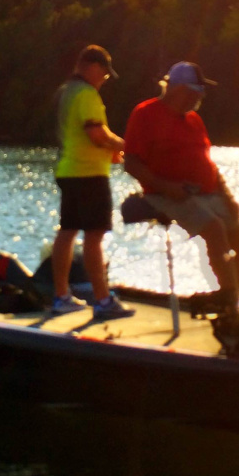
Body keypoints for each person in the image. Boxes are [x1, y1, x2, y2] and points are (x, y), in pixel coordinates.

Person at [123, 62, 239, 306]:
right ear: (178, 89)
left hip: (206, 193)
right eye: (196, 90)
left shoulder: (194, 120)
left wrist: (227, 197)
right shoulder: (146, 114)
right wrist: (165, 186)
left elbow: (208, 165)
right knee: (214, 228)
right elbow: (131, 162)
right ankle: (228, 296)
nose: (200, 96)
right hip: (166, 194)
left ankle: (232, 299)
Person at [51, 45, 136, 320]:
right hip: (88, 175)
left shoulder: (67, 91)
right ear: (92, 67)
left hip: (69, 170)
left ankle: (61, 296)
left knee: (68, 232)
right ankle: (102, 300)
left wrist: (110, 148)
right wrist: (125, 146)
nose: (104, 79)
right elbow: (96, 134)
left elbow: (87, 133)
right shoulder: (86, 94)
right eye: (104, 74)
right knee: (94, 235)